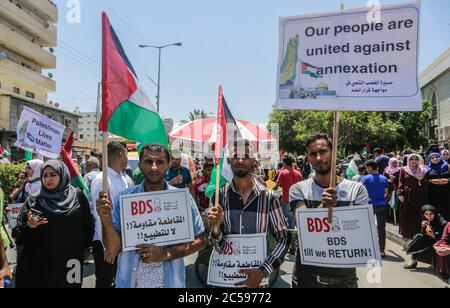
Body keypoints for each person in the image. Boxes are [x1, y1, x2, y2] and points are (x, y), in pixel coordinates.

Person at [97, 143, 205, 288]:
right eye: (148, 162)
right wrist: (106, 221)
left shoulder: (181, 199)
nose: (154, 167)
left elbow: (199, 240)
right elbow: (113, 250)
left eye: (160, 162)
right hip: (129, 282)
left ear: (168, 166)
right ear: (140, 165)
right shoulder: (124, 200)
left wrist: (165, 254)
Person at [289, 134, 369, 288]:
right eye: (313, 154)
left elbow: (360, 233)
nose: (318, 158)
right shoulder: (299, 189)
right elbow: (303, 228)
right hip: (305, 278)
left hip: (344, 279)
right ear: (308, 158)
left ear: (334, 153)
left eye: (323, 151)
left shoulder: (357, 190)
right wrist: (323, 208)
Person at [208, 140, 289, 288]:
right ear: (228, 160)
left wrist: (263, 271)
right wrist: (215, 227)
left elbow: (283, 240)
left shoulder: (269, 198)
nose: (240, 160)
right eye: (236, 156)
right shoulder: (218, 198)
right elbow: (216, 246)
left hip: (257, 283)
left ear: (253, 160)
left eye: (245, 156)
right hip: (225, 282)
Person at [14, 160, 94, 288]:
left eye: (53, 175)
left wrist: (86, 248)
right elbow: (18, 233)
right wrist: (30, 226)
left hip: (71, 260)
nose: (48, 179)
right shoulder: (34, 200)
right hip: (42, 261)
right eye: (44, 175)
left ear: (62, 175)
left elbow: (87, 225)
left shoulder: (77, 196)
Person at [90, 142, 134, 288]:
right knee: (105, 281)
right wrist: (106, 246)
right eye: (127, 155)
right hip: (106, 242)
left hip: (122, 240)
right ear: (121, 155)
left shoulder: (123, 178)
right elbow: (99, 215)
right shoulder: (102, 181)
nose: (127, 158)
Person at [273, 155, 302, 254]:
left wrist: (269, 192)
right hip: (297, 202)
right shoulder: (298, 173)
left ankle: (286, 246)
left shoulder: (283, 173)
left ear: (284, 163)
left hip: (286, 201)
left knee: (284, 224)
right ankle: (295, 246)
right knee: (294, 224)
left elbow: (276, 187)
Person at [404, 205, 447, 271]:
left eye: (431, 214)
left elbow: (443, 238)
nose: (428, 216)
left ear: (434, 213)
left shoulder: (442, 223)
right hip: (430, 238)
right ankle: (413, 260)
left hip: (440, 241)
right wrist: (423, 227)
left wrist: (433, 235)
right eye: (426, 214)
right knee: (419, 237)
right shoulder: (425, 219)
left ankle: (436, 265)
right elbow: (422, 233)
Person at [361, 160, 389, 258]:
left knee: (368, 227)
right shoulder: (384, 178)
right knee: (381, 228)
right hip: (381, 204)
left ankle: (368, 248)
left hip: (369, 205)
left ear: (369, 168)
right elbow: (386, 192)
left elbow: (362, 192)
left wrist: (369, 198)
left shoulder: (365, 178)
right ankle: (381, 250)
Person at [398, 154, 427, 239]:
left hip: (420, 195)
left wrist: (421, 179)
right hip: (408, 196)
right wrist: (400, 193)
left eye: (416, 159)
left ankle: (419, 231)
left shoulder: (422, 170)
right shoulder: (404, 169)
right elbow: (401, 182)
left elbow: (426, 182)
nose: (414, 161)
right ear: (408, 160)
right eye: (412, 159)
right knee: (408, 213)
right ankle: (408, 232)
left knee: (419, 213)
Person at [425, 152, 450, 221]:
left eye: (437, 157)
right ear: (430, 159)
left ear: (440, 157)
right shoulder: (426, 168)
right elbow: (423, 180)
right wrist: (431, 181)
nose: (435, 159)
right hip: (433, 194)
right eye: (432, 158)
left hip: (446, 193)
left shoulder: (448, 166)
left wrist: (447, 180)